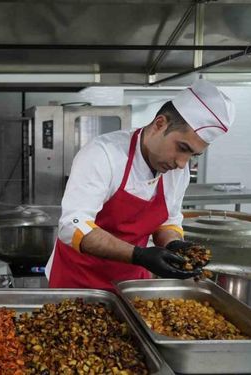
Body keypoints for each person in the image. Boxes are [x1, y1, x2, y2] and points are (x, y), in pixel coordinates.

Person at [46, 80, 235, 289]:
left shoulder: (176, 170)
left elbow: (168, 221)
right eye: (182, 147)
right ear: (159, 124)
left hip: (131, 285)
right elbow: (72, 226)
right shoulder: (104, 154)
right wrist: (140, 255)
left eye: (193, 155)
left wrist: (173, 244)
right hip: (79, 282)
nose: (182, 163)